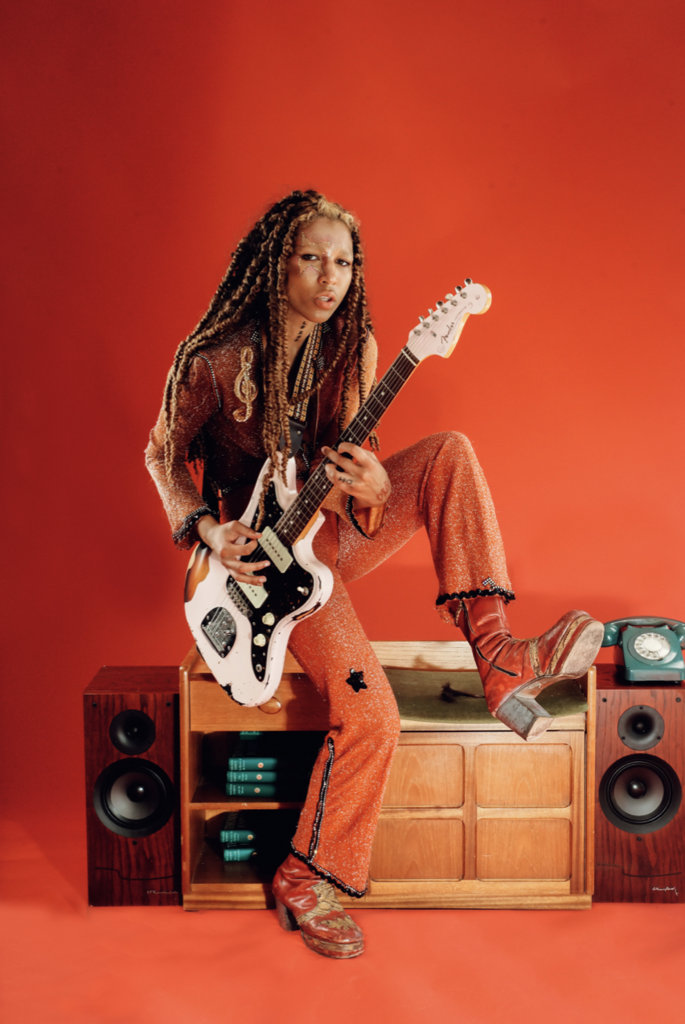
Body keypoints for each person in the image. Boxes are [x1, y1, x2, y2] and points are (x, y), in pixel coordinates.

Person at [145, 189, 602, 959]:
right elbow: (161, 452)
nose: (331, 278)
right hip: (260, 574)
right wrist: (209, 531)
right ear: (276, 263)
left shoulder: (351, 346)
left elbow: (360, 471)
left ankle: (496, 656)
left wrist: (378, 488)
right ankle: (304, 876)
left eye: (344, 262)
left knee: (449, 451)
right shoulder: (214, 359)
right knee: (373, 718)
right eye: (312, 258)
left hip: (329, 534)